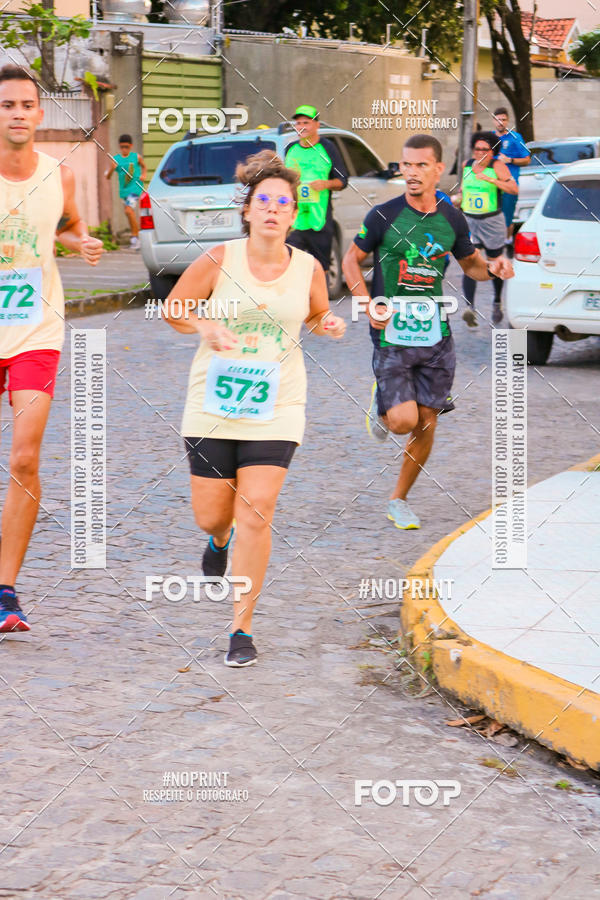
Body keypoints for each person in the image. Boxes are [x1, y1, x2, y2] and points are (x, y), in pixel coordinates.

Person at [162, 150, 345, 667]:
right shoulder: (221, 259)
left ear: (293, 213)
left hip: (278, 403)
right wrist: (205, 326)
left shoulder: (308, 265)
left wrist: (326, 324)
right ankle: (218, 540)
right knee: (211, 516)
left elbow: (315, 314)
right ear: (248, 210)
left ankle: (241, 627)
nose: (272, 210)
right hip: (213, 403)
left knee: (257, 511)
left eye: (282, 203)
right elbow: (175, 307)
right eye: (263, 200)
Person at [342, 134, 513, 530]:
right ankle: (382, 401)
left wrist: (492, 269)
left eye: (421, 165)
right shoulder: (383, 215)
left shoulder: (452, 218)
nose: (412, 172)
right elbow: (352, 261)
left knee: (427, 422)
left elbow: (470, 264)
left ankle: (398, 500)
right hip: (392, 330)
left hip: (435, 331)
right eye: (406, 164)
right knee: (402, 421)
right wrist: (367, 305)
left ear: (438, 169)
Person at [0, 64, 103, 633]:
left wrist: (81, 240)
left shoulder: (58, 175)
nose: (17, 113)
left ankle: (5, 591)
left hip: (37, 329)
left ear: (40, 114)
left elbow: (67, 225)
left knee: (23, 457)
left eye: (25, 105)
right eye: (6, 105)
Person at [453, 131, 517, 326]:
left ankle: (497, 301)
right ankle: (470, 308)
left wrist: (491, 180)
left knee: (495, 263)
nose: (480, 153)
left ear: (492, 151)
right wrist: (458, 199)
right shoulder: (466, 165)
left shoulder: (497, 166)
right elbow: (464, 190)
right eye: (477, 149)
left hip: (492, 222)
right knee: (470, 262)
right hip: (470, 221)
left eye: (484, 149)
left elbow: (513, 189)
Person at [284, 105, 348, 282]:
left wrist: (325, 183)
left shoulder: (327, 148)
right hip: (294, 220)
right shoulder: (290, 149)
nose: (301, 127)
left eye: (306, 122)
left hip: (319, 219)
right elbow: (283, 179)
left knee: (320, 269)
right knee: (289, 265)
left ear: (317, 125)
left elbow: (343, 180)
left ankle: (321, 305)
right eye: (298, 123)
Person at [492, 106, 531, 252]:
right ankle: (496, 242)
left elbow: (527, 159)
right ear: (493, 120)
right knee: (492, 213)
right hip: (492, 183)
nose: (500, 122)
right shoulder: (490, 138)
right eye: (498, 119)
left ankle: (508, 241)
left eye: (503, 119)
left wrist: (511, 160)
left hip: (510, 184)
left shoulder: (515, 138)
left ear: (507, 121)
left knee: (507, 215)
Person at [106, 133, 147, 250]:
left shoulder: (136, 157)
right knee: (129, 213)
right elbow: (108, 177)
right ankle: (135, 238)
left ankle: (137, 237)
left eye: (126, 147)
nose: (124, 149)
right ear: (119, 146)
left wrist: (143, 175)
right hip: (124, 190)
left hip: (135, 187)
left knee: (129, 211)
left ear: (131, 146)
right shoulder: (116, 159)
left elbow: (144, 166)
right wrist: (111, 169)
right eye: (122, 147)